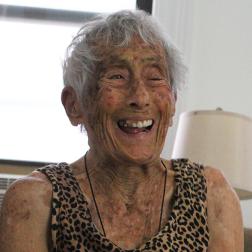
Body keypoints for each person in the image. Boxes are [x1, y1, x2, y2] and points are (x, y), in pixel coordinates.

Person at [0, 10, 243, 252]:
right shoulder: (35, 200)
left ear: (172, 104)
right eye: (117, 76)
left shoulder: (212, 195)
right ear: (74, 105)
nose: (140, 97)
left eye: (155, 78)